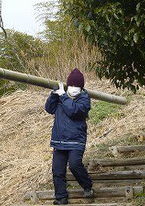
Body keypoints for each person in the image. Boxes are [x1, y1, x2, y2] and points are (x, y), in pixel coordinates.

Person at [45, 68, 93, 205]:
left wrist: (63, 96)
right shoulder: (61, 97)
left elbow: (74, 111)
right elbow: (49, 109)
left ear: (81, 87)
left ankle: (87, 185)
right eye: (71, 86)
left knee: (74, 165)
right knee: (57, 170)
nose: (73, 88)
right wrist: (54, 95)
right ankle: (61, 197)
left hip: (76, 141)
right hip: (59, 140)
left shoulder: (84, 99)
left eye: (76, 86)